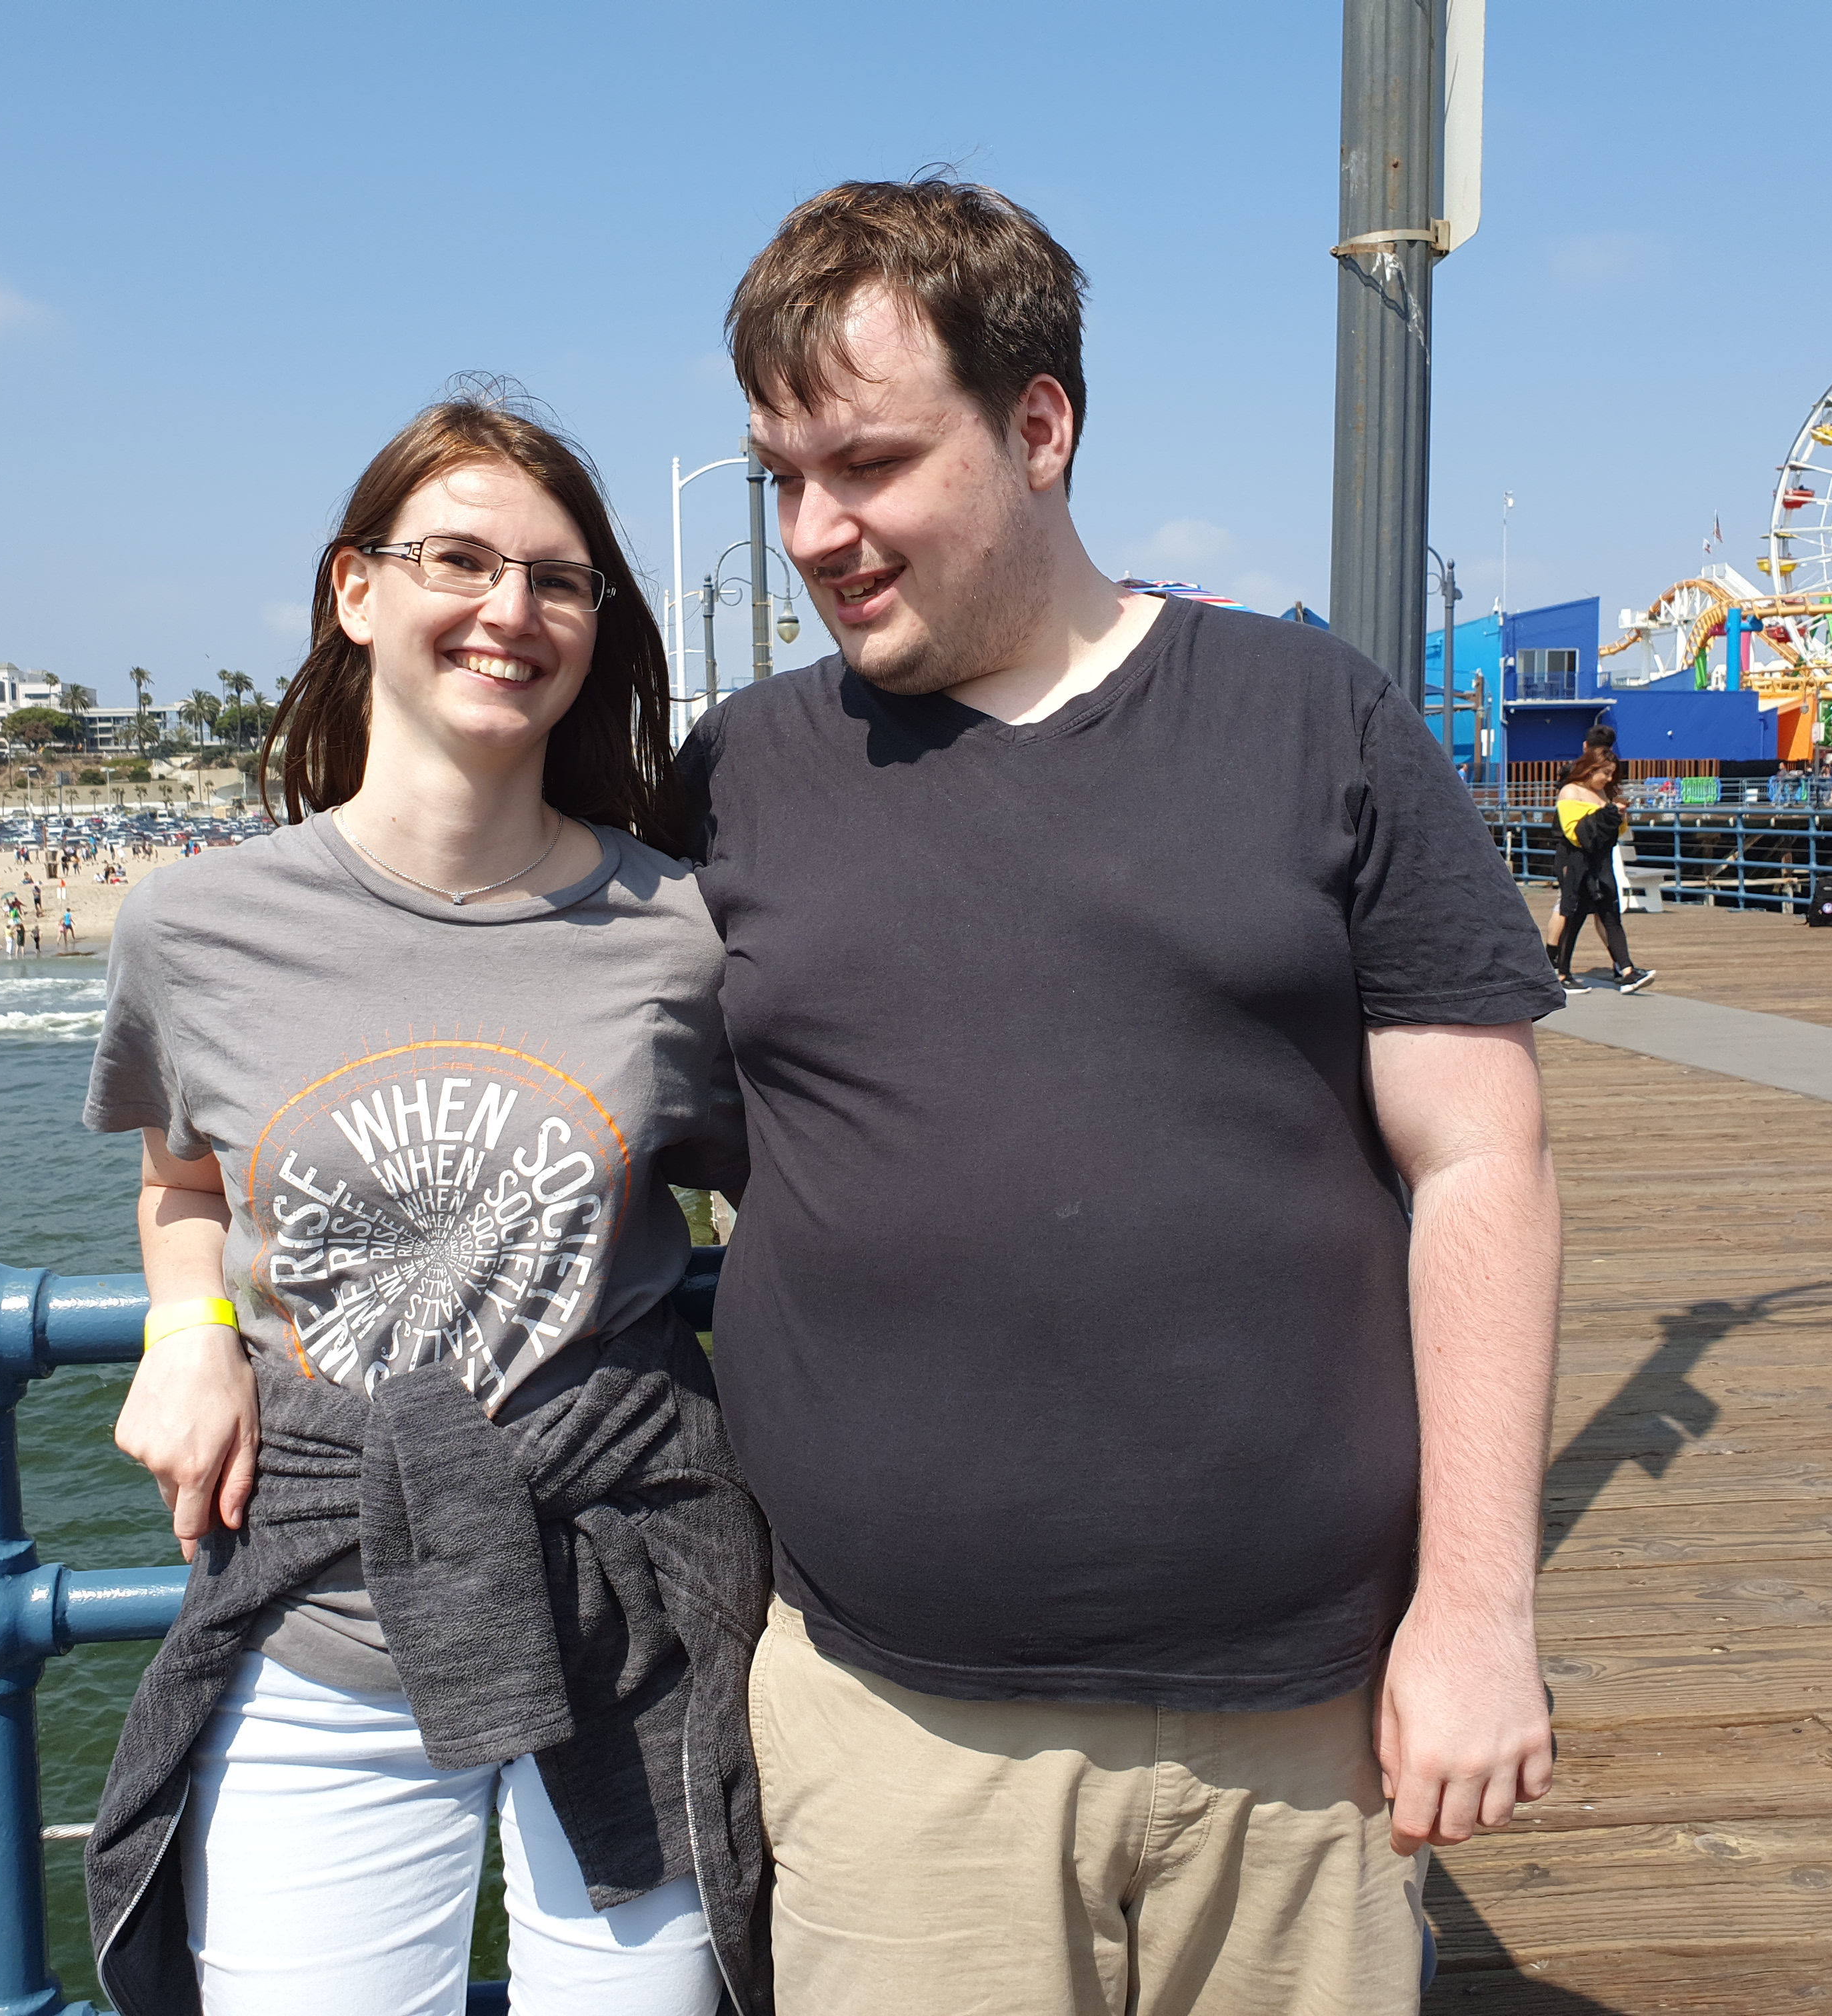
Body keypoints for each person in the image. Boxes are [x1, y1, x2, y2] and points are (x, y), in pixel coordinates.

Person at [683, 177, 1563, 2014]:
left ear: (1040, 427)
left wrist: (1478, 1613)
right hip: (894, 1732)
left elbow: (1483, 1158)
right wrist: (204, 1261)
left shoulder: (1315, 719)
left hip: (1304, 1732)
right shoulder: (740, 772)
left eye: (869, 463)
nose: (816, 532)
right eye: (782, 478)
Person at [81, 396, 766, 2016]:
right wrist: (187, 1329)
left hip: (630, 1606)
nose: (509, 609)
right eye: (457, 560)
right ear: (355, 590)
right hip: (321, 1614)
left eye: (559, 579)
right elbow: (182, 1177)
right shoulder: (193, 928)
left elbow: (800, 1186)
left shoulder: (682, 934)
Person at [1550, 749, 1655, 995]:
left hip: (1601, 862)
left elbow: (1615, 832)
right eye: (1605, 773)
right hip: (1576, 862)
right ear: (1591, 769)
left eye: (1611, 774)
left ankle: (1627, 971)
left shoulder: (1602, 793)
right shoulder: (1570, 791)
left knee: (1610, 914)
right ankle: (1562, 973)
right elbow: (1576, 834)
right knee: (1573, 916)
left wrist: (1620, 818)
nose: (1608, 779)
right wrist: (1608, 813)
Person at [1541, 720, 1615, 959]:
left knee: (1571, 906)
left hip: (1573, 849)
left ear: (1585, 746)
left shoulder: (1573, 776)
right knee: (1590, 908)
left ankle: (1554, 958)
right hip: (1589, 852)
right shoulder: (1603, 780)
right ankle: (1556, 960)